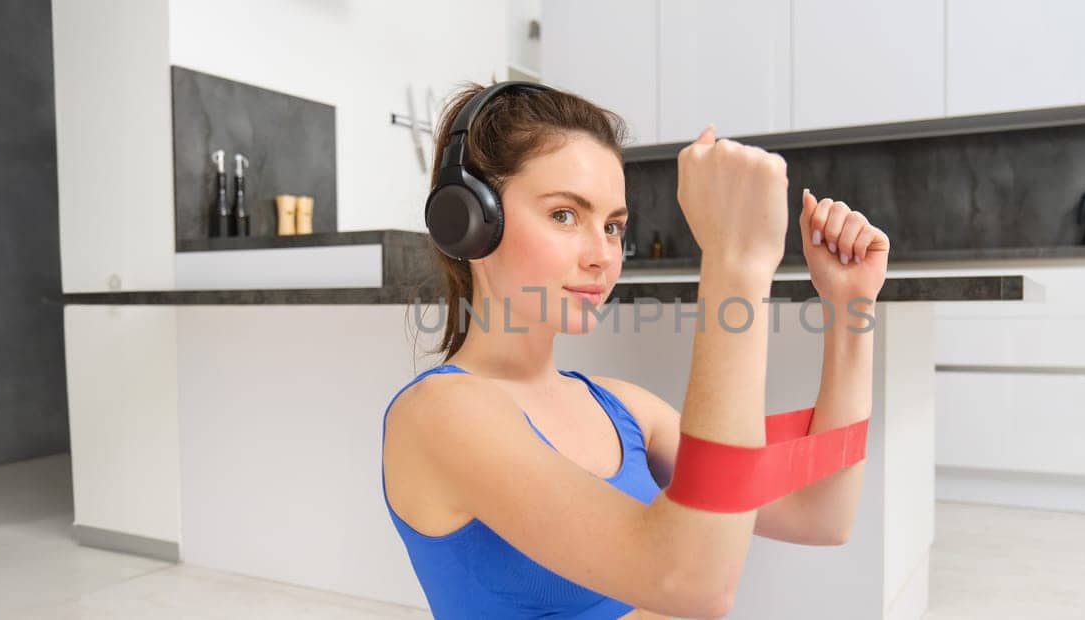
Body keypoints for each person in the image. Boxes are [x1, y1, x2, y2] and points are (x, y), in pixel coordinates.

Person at [381, 82, 890, 619]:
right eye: (564, 215)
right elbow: (691, 585)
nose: (603, 254)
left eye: (613, 226)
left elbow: (821, 513)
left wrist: (851, 310)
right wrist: (735, 264)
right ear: (470, 222)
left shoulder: (624, 410)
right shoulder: (442, 414)